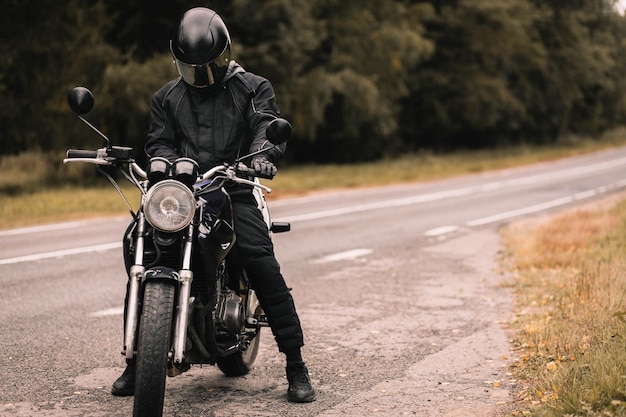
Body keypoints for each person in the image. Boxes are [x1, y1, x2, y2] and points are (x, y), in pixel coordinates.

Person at [111, 7, 315, 403]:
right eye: (190, 69)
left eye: (205, 68)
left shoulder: (253, 88)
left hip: (233, 185)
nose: (198, 76)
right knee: (143, 246)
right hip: (183, 191)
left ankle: (295, 363)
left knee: (259, 259)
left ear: (222, 57)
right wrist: (160, 162)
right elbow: (159, 142)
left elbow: (266, 126)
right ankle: (138, 362)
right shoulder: (166, 97)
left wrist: (262, 155)